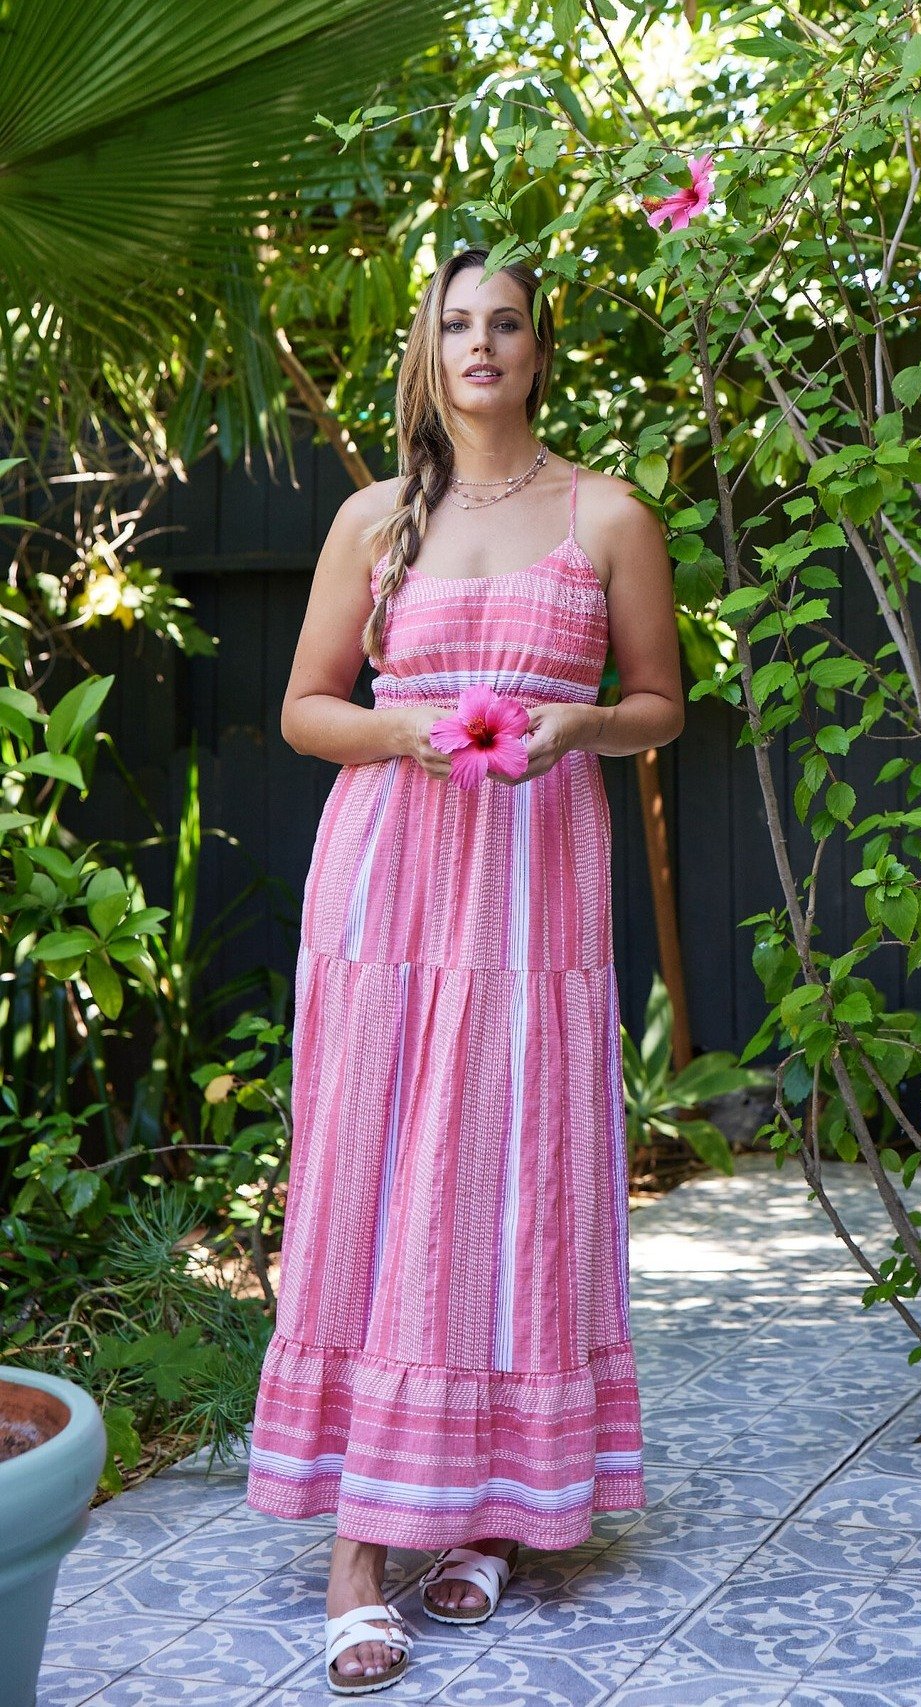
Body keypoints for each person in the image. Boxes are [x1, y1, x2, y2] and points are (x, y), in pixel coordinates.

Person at [243, 244, 685, 1695]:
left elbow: (657, 706)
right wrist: (408, 733)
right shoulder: (374, 518)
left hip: (535, 891)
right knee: (373, 1174)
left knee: (508, 1177)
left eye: (505, 325)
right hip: (387, 884)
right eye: (457, 326)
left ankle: (487, 1507)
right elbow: (309, 708)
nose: (481, 345)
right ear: (426, 356)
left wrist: (576, 730)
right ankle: (356, 1556)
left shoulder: (607, 512)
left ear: (539, 350)